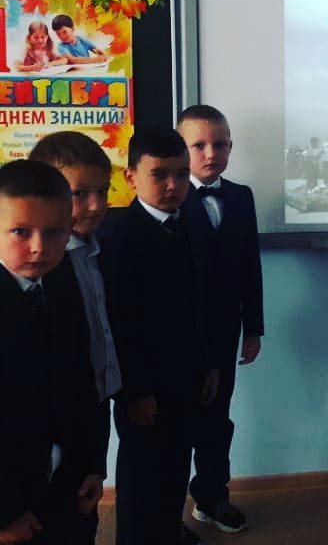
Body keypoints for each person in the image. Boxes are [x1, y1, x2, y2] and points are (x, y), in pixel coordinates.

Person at [98, 128, 224, 545]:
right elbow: (120, 321)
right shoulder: (118, 235)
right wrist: (135, 391)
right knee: (141, 473)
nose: (173, 185)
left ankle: (170, 530)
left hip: (188, 376)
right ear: (131, 176)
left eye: (181, 175)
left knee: (176, 465)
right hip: (144, 386)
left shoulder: (194, 225)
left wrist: (210, 365)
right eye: (159, 175)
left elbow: (203, 303)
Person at [28, 132, 122, 545]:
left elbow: (94, 367)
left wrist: (95, 463)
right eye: (79, 193)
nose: (96, 205)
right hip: (43, 437)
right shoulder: (39, 268)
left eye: (103, 191)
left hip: (89, 414)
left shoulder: (94, 251)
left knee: (81, 522)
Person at [178, 105, 263, 534]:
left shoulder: (242, 196)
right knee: (177, 423)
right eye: (199, 145)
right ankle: (164, 513)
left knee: (217, 419)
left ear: (231, 147)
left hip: (225, 330)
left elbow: (250, 266)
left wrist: (254, 327)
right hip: (178, 333)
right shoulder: (169, 197)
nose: (211, 153)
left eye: (220, 144)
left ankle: (212, 497)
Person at [0, 160, 90, 545]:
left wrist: (91, 463)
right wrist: (3, 514)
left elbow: (82, 376)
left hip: (64, 483)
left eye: (55, 232)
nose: (39, 247)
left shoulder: (63, 278)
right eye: (21, 232)